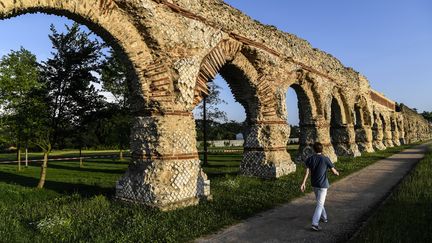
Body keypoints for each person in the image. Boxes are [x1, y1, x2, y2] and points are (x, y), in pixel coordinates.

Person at [300, 142, 339, 231]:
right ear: (322, 149)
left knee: (320, 202)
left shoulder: (310, 159)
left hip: (314, 184)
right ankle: (315, 223)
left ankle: (324, 217)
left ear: (314, 149)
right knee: (320, 204)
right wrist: (337, 173)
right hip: (323, 185)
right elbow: (334, 171)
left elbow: (306, 173)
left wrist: (303, 183)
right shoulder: (325, 159)